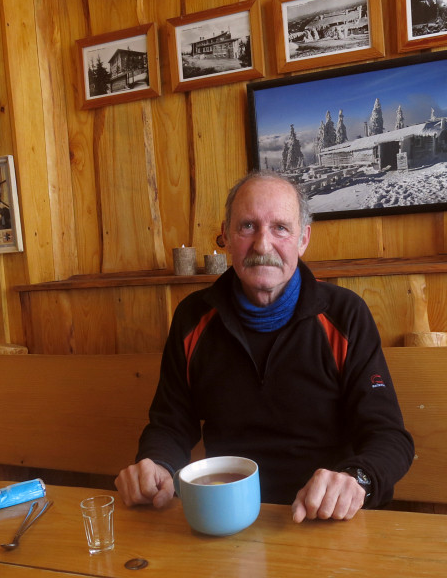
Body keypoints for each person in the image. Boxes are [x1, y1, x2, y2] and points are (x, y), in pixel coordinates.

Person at [115, 170, 414, 522]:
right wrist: (157, 464)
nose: (262, 245)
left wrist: (356, 478)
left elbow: (389, 436)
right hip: (227, 515)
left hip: (327, 518)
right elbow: (170, 424)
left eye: (280, 228)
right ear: (227, 236)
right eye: (247, 226)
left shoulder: (346, 316)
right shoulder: (192, 318)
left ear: (303, 239)